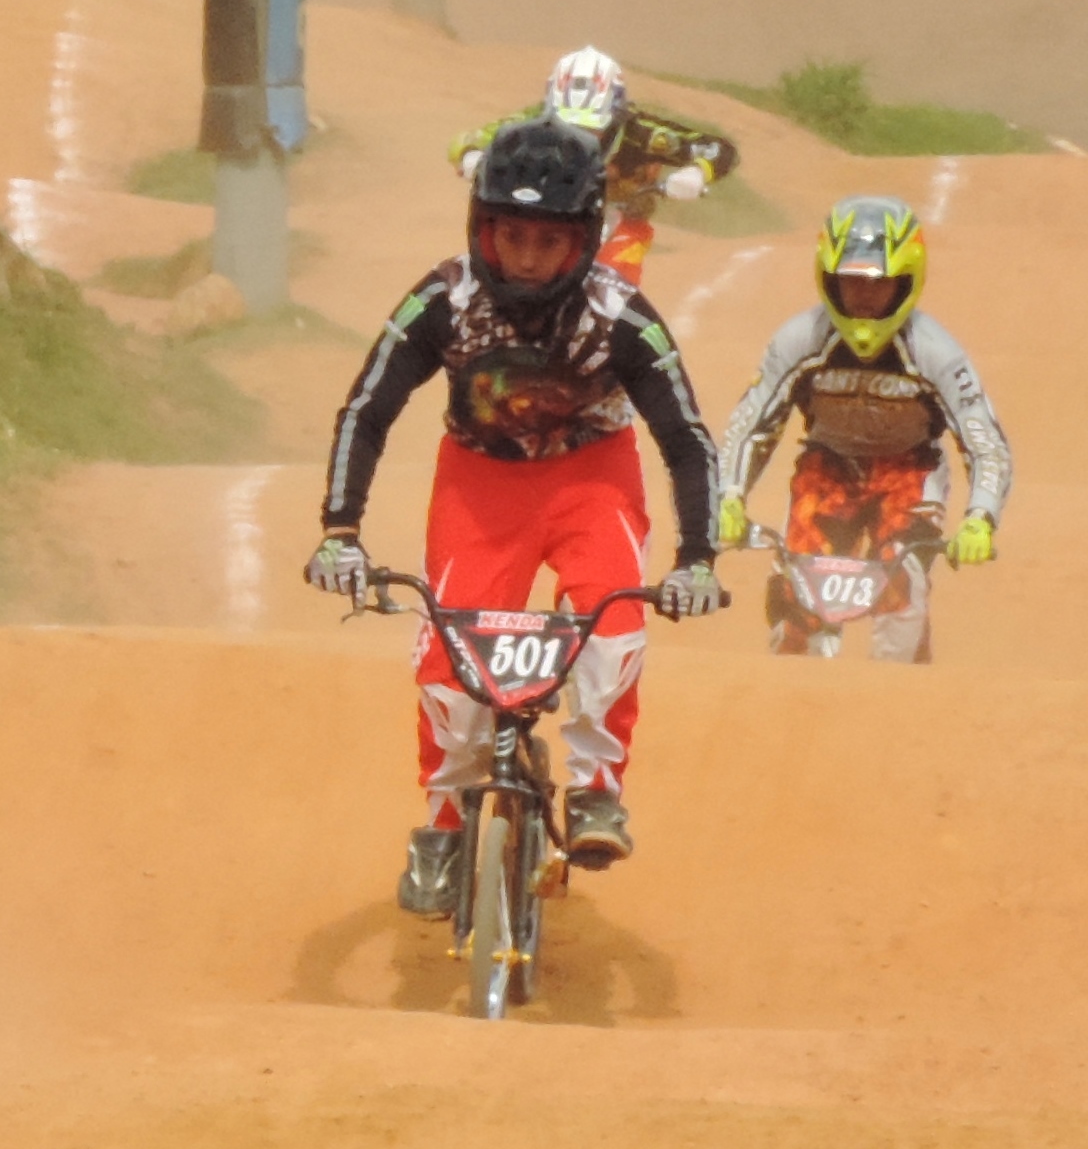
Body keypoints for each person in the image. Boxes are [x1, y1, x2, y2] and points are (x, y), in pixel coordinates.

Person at [307, 118, 726, 911]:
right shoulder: (444, 298)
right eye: (512, 237)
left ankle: (597, 787)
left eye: (548, 242)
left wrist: (698, 556)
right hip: (480, 485)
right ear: (481, 228)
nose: (528, 259)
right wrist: (340, 532)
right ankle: (440, 825)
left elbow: (685, 437)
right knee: (452, 673)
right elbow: (368, 408)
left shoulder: (622, 315)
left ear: (585, 239)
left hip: (592, 481)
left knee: (614, 628)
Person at [715, 195, 1011, 662]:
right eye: (850, 283)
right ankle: (795, 708)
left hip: (908, 471)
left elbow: (984, 441)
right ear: (828, 280)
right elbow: (752, 424)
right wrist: (729, 495)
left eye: (879, 284)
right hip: (828, 468)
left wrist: (981, 517)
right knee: (796, 601)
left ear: (906, 282)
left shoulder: (936, 352)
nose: (865, 296)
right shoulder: (800, 340)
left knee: (902, 589)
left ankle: (900, 705)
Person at [449, 44, 736, 276]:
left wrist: (697, 173)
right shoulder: (532, 122)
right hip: (546, 217)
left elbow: (718, 148)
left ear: (616, 112)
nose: (579, 135)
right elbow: (465, 140)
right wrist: (472, 156)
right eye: (568, 125)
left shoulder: (641, 133)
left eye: (592, 127)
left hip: (622, 223)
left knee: (617, 285)